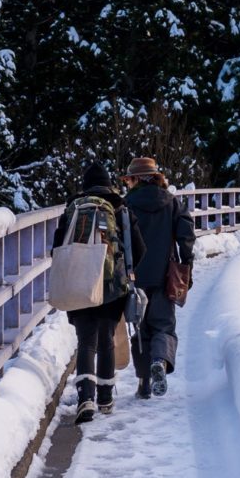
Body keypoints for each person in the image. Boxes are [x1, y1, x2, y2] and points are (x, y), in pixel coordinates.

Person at [53, 161, 145, 424]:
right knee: (106, 338)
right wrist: (123, 270)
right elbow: (139, 248)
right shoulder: (120, 208)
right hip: (111, 286)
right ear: (108, 184)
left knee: (85, 341)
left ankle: (85, 398)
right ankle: (105, 398)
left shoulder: (73, 209)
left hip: (79, 282)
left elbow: (57, 248)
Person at [122, 156, 195, 399]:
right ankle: (160, 363)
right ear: (157, 177)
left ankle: (143, 384)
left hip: (134, 276)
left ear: (134, 179)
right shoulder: (172, 203)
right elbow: (186, 235)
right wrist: (186, 265)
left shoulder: (126, 205)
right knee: (163, 325)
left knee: (140, 329)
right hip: (165, 275)